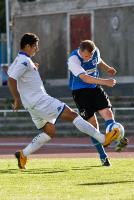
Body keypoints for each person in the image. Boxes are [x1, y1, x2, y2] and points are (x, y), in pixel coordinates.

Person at [8, 33, 119, 169]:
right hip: (40, 101)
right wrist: (16, 98)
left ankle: (23, 154)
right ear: (27, 46)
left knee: (50, 131)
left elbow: (13, 73)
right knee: (73, 115)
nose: (37, 49)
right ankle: (104, 139)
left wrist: (32, 69)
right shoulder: (24, 61)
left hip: (31, 105)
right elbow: (11, 79)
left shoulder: (21, 59)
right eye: (35, 46)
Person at [67, 40, 128, 166]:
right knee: (93, 124)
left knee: (108, 113)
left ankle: (116, 138)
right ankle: (103, 156)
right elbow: (85, 78)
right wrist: (106, 82)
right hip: (80, 93)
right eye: (86, 56)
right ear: (81, 51)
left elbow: (98, 61)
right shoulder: (73, 59)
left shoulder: (95, 52)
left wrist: (108, 68)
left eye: (90, 55)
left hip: (95, 88)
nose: (89, 58)